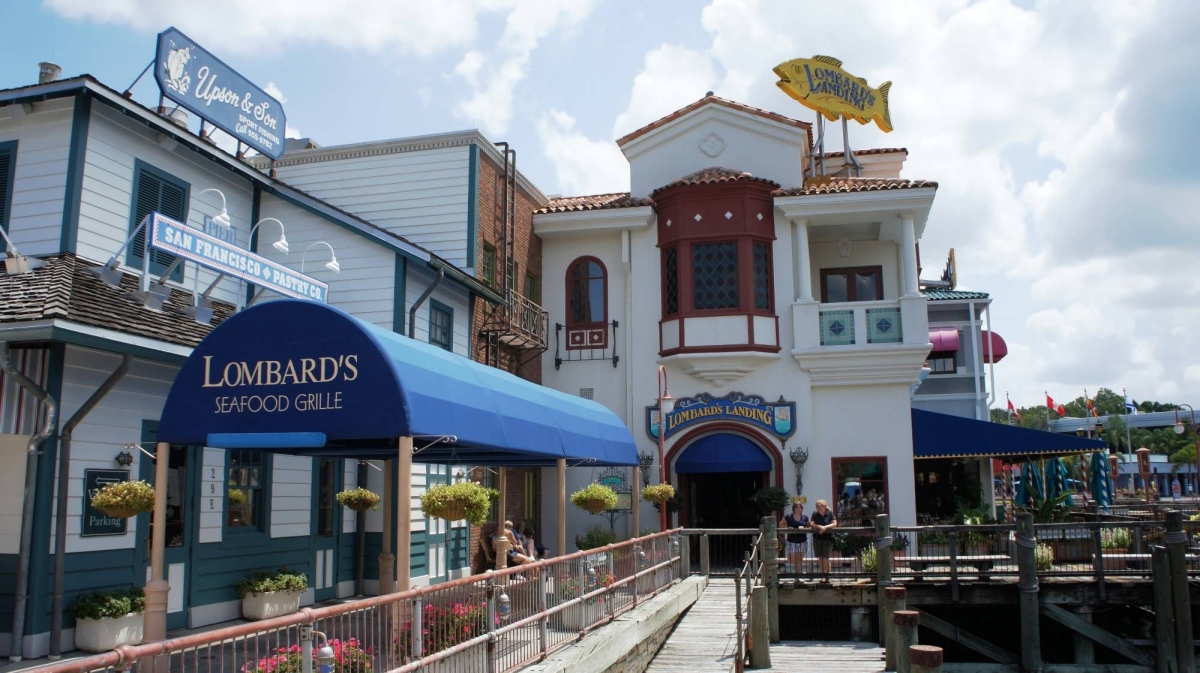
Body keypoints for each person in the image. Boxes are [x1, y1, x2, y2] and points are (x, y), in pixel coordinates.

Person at [809, 499, 838, 577]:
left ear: (824, 506)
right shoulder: (815, 514)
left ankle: (827, 576)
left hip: (827, 539)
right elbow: (811, 524)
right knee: (820, 558)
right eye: (816, 506)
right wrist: (819, 527)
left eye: (819, 506)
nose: (818, 508)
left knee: (826, 558)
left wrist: (825, 527)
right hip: (817, 539)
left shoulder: (830, 513)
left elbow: (835, 524)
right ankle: (822, 575)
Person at [779, 502, 808, 574]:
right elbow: (781, 524)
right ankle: (795, 570)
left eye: (800, 507)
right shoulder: (788, 517)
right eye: (797, 507)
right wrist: (787, 528)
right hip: (791, 540)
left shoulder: (805, 517)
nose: (798, 509)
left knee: (799, 559)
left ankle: (798, 575)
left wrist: (804, 528)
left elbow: (810, 526)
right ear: (793, 508)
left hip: (802, 540)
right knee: (792, 558)